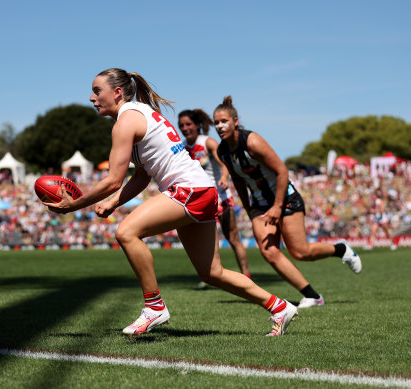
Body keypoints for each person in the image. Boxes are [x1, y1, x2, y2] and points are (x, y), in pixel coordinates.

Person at [44, 68, 297, 337]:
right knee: (212, 272)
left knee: (127, 232)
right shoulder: (140, 113)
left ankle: (154, 307)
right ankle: (279, 307)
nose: (92, 98)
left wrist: (74, 204)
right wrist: (114, 203)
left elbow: (114, 179)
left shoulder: (125, 121)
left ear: (117, 92)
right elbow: (141, 176)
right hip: (200, 189)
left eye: (97, 91)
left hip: (188, 190)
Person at [213, 96, 362, 309]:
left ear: (235, 121)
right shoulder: (223, 152)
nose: (220, 126)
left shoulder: (252, 141)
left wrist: (277, 206)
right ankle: (312, 296)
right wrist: (250, 211)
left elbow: (282, 171)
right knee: (269, 252)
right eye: (216, 122)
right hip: (260, 205)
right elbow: (238, 181)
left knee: (301, 252)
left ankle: (340, 249)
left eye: (224, 121)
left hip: (285, 198)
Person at [178, 109, 251, 290]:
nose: (185, 128)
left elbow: (224, 163)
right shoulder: (181, 146)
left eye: (188, 124)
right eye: (181, 125)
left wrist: (224, 178)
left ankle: (247, 277)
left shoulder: (207, 142)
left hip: (220, 196)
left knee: (233, 238)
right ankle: (210, 275)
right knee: (205, 243)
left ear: (197, 125)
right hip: (200, 200)